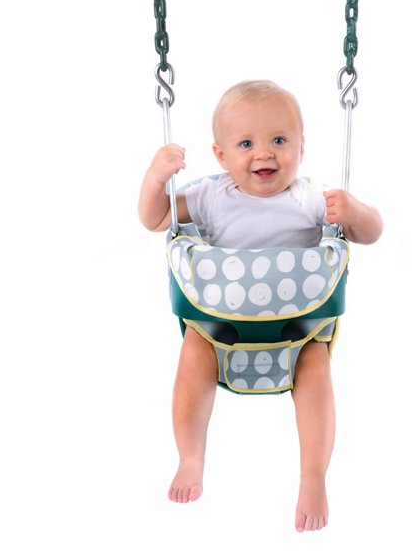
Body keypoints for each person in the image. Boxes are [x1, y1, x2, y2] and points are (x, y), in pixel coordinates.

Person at [138, 80, 382, 532]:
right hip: (217, 329)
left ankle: (313, 477)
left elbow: (371, 232)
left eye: (280, 140)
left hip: (300, 331)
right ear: (221, 155)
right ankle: (190, 458)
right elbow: (155, 219)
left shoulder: (312, 199)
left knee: (316, 373)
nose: (264, 153)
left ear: (302, 148)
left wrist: (355, 212)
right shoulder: (211, 196)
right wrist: (156, 178)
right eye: (246, 143)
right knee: (192, 358)